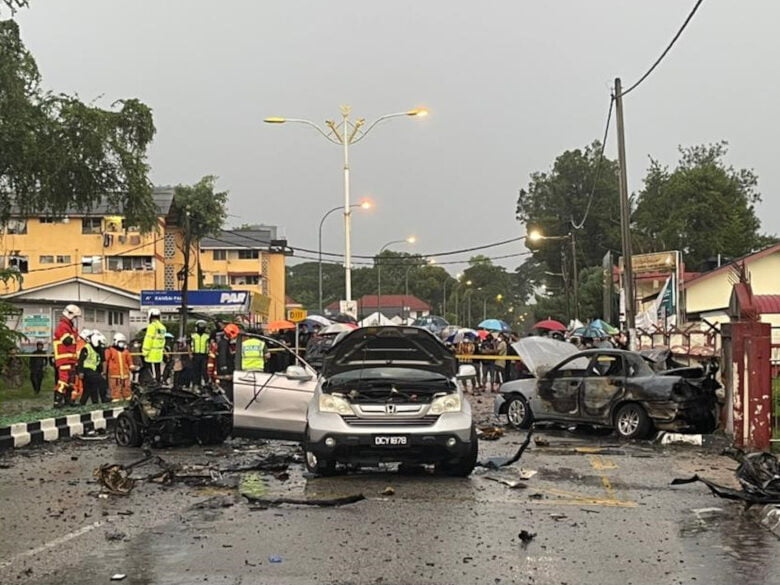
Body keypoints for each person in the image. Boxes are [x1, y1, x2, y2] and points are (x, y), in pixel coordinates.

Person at [52, 304, 81, 407]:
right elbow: (67, 341)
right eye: (75, 316)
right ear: (70, 314)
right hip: (64, 359)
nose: (75, 319)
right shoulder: (62, 326)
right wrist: (75, 334)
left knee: (70, 381)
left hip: (70, 359)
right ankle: (58, 401)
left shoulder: (68, 326)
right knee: (63, 380)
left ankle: (68, 401)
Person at [78, 331, 107, 405]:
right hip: (86, 370)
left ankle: (84, 403)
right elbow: (81, 360)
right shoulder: (86, 348)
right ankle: (104, 398)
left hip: (94, 370)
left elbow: (103, 360)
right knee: (101, 381)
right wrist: (80, 371)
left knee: (89, 389)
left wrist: (103, 372)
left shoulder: (99, 349)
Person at [105, 333, 133, 401]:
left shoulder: (126, 351)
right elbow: (106, 361)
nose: (122, 344)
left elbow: (129, 361)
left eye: (123, 342)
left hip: (125, 375)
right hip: (115, 375)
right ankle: (116, 403)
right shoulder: (110, 350)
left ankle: (127, 402)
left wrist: (132, 367)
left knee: (126, 389)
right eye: (121, 342)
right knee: (115, 389)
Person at [216, 323, 240, 400]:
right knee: (227, 392)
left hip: (227, 372)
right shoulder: (223, 344)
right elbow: (222, 357)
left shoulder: (225, 343)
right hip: (226, 373)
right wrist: (225, 371)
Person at [142, 308, 167, 383]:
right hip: (159, 352)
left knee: (149, 370)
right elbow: (163, 341)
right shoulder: (162, 327)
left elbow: (148, 339)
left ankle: (151, 383)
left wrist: (144, 352)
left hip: (151, 352)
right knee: (157, 368)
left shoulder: (152, 326)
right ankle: (158, 382)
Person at [190, 320, 210, 387]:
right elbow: (188, 345)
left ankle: (206, 383)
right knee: (196, 371)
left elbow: (210, 345)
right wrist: (190, 354)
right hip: (195, 355)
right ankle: (196, 384)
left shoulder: (207, 336)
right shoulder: (193, 336)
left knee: (204, 370)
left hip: (204, 355)